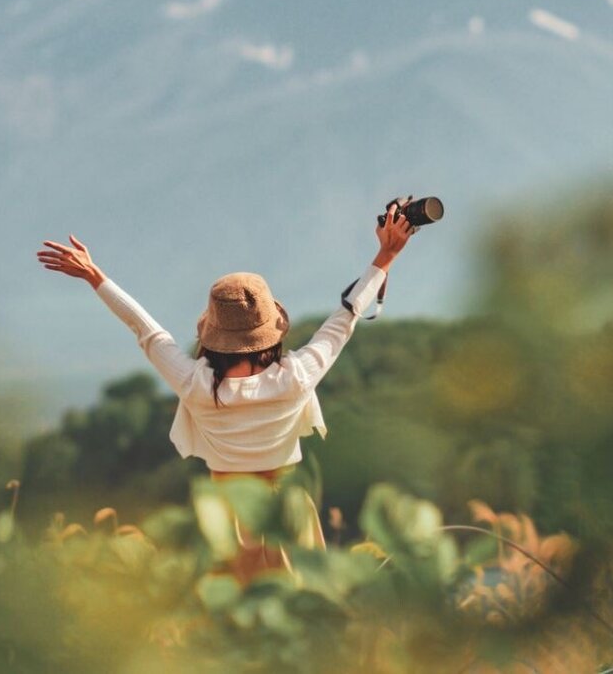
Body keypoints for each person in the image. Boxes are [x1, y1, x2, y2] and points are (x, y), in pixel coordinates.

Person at [35, 197, 418, 572]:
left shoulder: (195, 385)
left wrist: (94, 276)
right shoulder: (296, 378)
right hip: (290, 516)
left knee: (231, 623)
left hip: (226, 519)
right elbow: (347, 317)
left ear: (214, 334)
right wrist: (386, 256)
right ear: (271, 330)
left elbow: (145, 329)